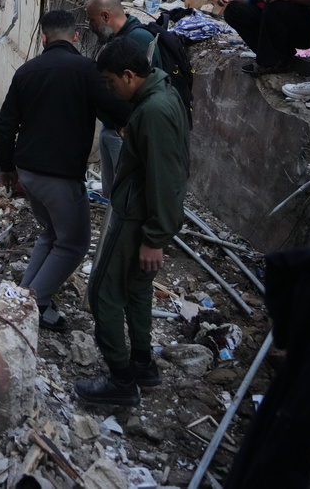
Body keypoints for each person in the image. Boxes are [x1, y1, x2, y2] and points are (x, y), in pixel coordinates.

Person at [0, 10, 129, 331]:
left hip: (28, 171)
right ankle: (33, 305)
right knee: (74, 243)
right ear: (76, 37)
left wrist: (7, 167)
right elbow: (116, 107)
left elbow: (3, 126)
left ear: (43, 38)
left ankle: (23, 296)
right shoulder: (87, 70)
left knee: (53, 234)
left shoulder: (26, 72)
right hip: (59, 175)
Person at [75, 36, 190, 406]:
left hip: (136, 219)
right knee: (138, 291)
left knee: (102, 293)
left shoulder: (153, 111)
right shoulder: (161, 94)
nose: (110, 89)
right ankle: (142, 365)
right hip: (145, 216)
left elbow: (166, 177)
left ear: (128, 75)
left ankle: (121, 380)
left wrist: (154, 237)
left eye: (111, 82)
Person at [86, 0, 162, 198]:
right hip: (112, 128)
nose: (90, 27)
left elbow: (147, 87)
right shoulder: (117, 40)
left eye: (91, 20)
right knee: (114, 195)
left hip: (125, 131)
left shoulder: (138, 39)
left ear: (105, 16)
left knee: (126, 197)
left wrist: (128, 123)